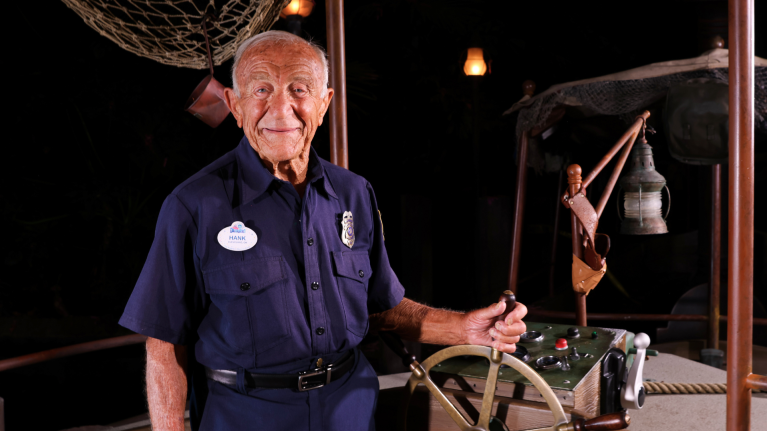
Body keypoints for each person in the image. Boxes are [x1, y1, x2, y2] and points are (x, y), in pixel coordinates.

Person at [119, 30, 527, 431]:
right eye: (261, 90)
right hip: (245, 415)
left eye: (299, 89)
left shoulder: (354, 193)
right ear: (234, 104)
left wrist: (465, 328)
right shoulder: (192, 206)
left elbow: (381, 307)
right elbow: (164, 344)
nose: (281, 110)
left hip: (349, 408)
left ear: (324, 102)